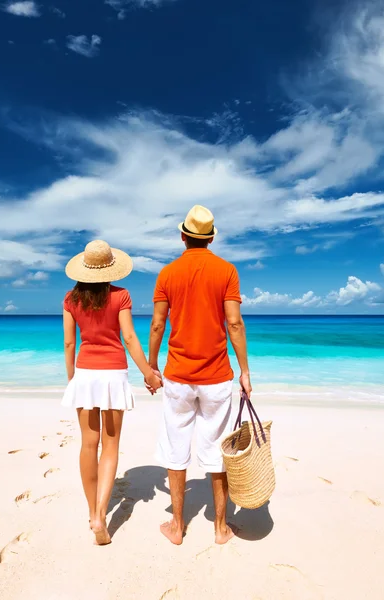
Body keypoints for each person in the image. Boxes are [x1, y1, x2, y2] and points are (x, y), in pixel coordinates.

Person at [147, 205, 252, 546]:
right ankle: (220, 528)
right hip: (218, 376)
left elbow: (158, 323)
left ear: (183, 236)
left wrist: (151, 365)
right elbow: (234, 323)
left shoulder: (167, 273)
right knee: (217, 451)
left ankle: (177, 526)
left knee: (176, 447)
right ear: (209, 238)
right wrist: (245, 371)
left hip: (178, 375)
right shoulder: (226, 271)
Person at [62, 240, 162, 546]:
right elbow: (129, 337)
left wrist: (73, 380)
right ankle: (101, 515)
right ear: (110, 268)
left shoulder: (70, 298)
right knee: (111, 445)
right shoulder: (121, 295)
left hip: (86, 374)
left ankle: (92, 511)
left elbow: (69, 343)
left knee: (87, 445)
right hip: (113, 374)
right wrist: (149, 372)